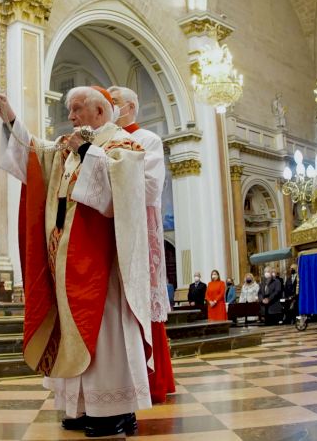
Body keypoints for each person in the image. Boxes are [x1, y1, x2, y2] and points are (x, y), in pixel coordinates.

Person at [0, 88, 151, 438]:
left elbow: (120, 198)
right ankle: (80, 406)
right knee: (71, 333)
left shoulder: (123, 145)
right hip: (65, 261)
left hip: (104, 266)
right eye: (70, 110)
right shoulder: (69, 146)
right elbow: (34, 155)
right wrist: (11, 119)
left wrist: (87, 152)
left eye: (77, 109)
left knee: (105, 335)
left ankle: (114, 410)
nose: (71, 116)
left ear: (100, 111)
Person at [110, 85, 174, 405]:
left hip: (139, 228)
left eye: (116, 102)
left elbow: (150, 188)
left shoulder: (147, 139)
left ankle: (153, 380)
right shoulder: (105, 139)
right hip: (111, 229)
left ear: (131, 107)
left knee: (143, 302)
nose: (112, 107)